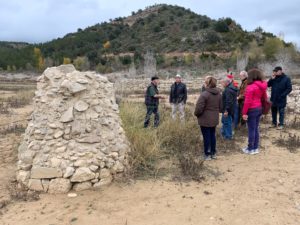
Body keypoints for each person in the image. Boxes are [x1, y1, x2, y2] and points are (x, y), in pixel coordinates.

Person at [194, 76, 222, 160]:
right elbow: (221, 108)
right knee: (212, 135)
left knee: (206, 137)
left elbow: (199, 108)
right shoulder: (219, 94)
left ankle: (207, 154)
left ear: (207, 84)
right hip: (214, 118)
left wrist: (197, 114)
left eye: (205, 82)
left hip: (205, 119)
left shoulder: (204, 94)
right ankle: (213, 153)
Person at [242, 68, 268, 155]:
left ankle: (250, 149)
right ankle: (255, 148)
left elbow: (247, 101)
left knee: (251, 129)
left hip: (252, 109)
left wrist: (244, 113)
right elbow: (265, 97)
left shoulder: (250, 87)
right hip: (259, 108)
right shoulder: (262, 86)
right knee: (256, 128)